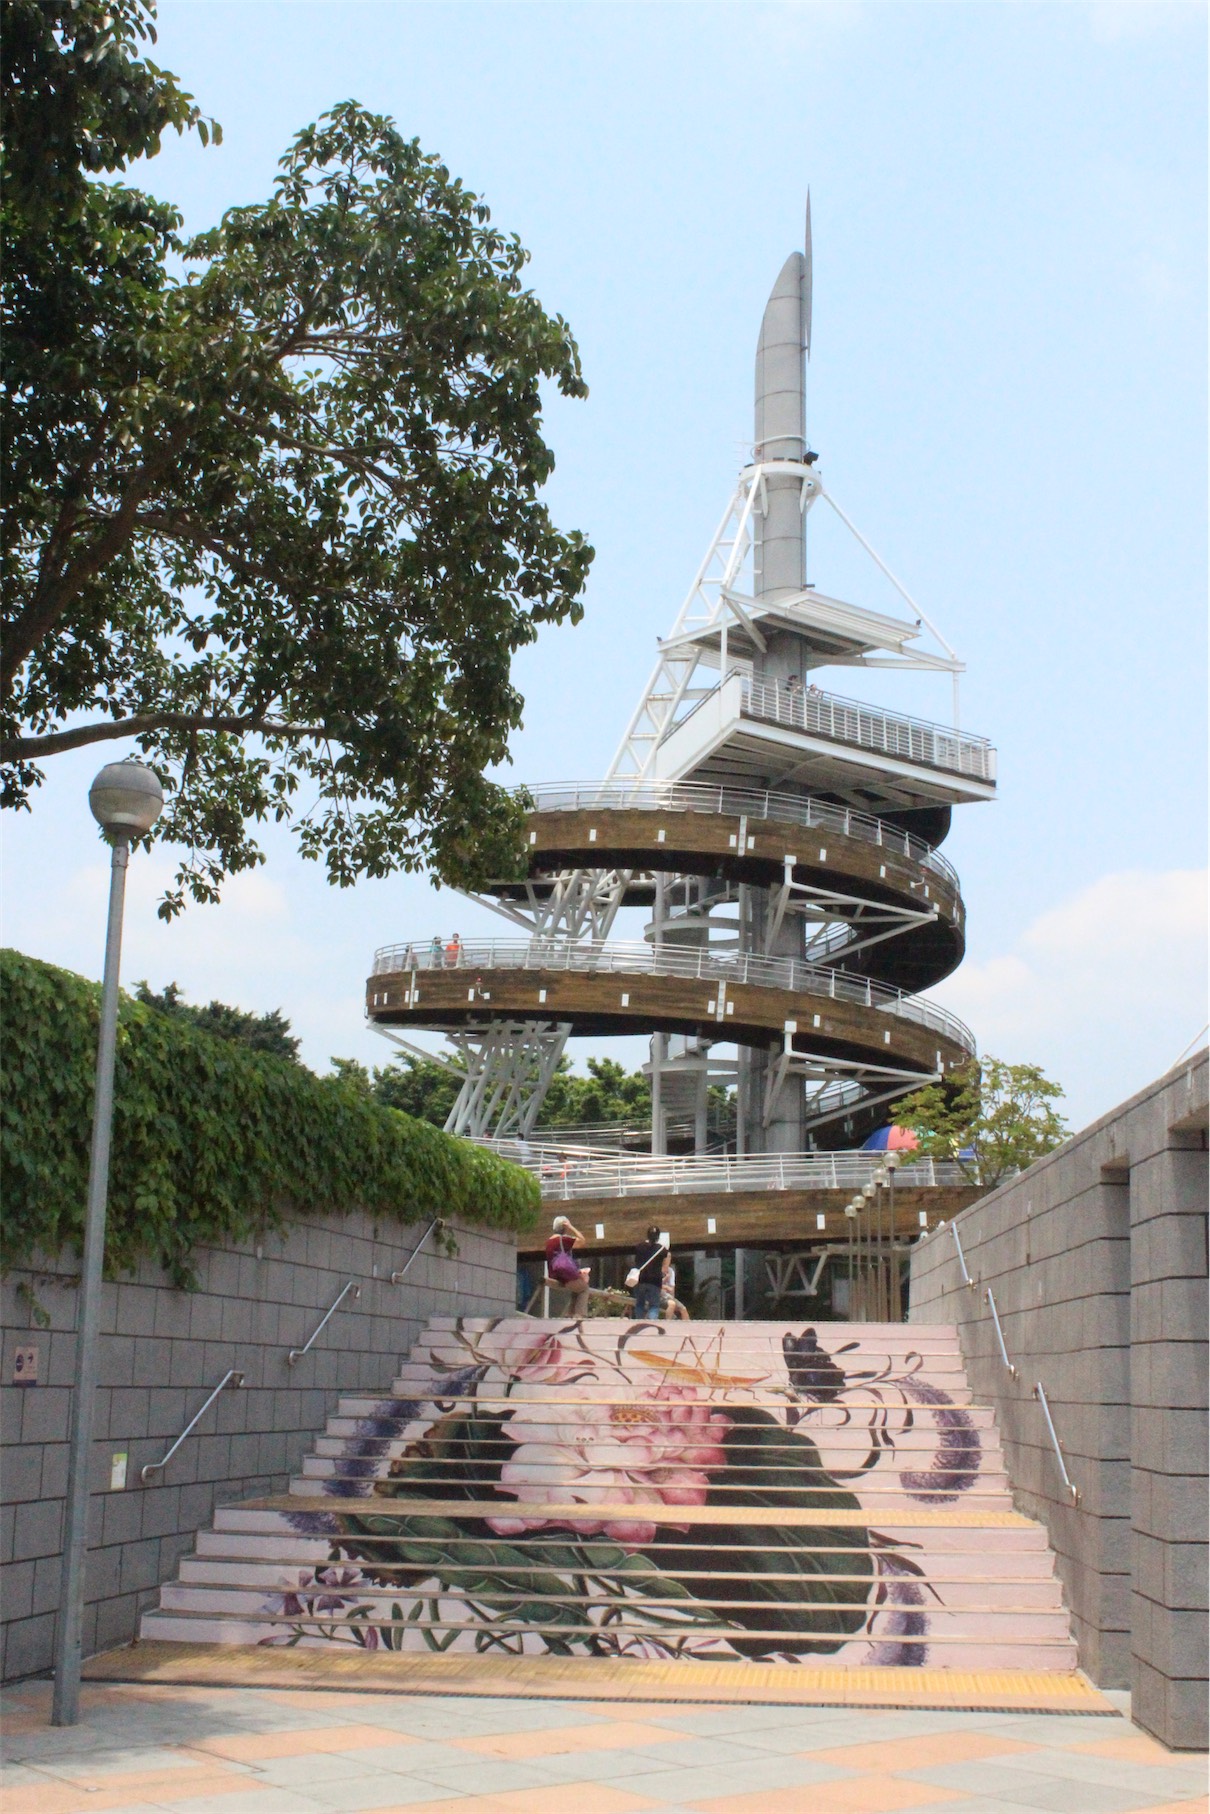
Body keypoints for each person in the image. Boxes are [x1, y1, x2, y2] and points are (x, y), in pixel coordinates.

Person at [545, 1215, 589, 1319]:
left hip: (554, 1274)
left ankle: (570, 1313)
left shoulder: (549, 1241)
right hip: (564, 1275)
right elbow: (582, 1240)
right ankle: (579, 1315)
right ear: (564, 1227)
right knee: (584, 1288)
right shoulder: (563, 1240)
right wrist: (571, 1226)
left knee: (577, 1285)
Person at [629, 1225, 667, 1322]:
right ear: (658, 1236)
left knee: (640, 1303)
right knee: (654, 1305)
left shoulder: (639, 1247)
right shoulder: (662, 1249)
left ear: (647, 1235)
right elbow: (664, 1266)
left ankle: (639, 1322)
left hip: (640, 1279)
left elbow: (634, 1261)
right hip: (655, 1281)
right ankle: (651, 1322)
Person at [661, 1253, 690, 1321]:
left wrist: (672, 1297)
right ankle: (668, 1324)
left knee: (683, 1309)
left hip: (668, 1296)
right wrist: (665, 1282)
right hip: (659, 1295)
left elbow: (672, 1287)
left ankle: (688, 1326)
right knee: (672, 1304)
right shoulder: (657, 1270)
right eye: (666, 1257)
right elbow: (655, 1284)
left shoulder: (671, 1271)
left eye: (669, 1257)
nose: (667, 1259)